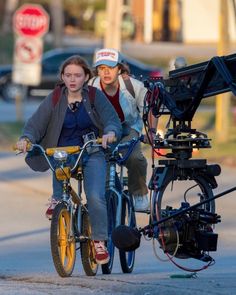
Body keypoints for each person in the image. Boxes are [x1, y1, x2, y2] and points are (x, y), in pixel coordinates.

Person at [16, 55, 122, 265]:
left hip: (90, 151)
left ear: (85, 77)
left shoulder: (94, 95)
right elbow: (36, 123)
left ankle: (99, 241)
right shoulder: (55, 97)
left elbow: (112, 120)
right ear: (62, 77)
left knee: (94, 196)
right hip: (63, 152)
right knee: (57, 158)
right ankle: (59, 200)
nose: (72, 79)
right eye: (68, 75)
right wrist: (26, 138)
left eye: (77, 75)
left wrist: (110, 132)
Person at [89, 48, 157, 212]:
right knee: (97, 163)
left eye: (110, 68)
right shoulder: (91, 86)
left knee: (135, 158)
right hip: (102, 133)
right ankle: (101, 198)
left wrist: (152, 132)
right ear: (97, 70)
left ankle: (139, 194)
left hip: (128, 129)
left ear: (119, 68)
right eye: (101, 68)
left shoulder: (133, 86)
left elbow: (150, 109)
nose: (106, 72)